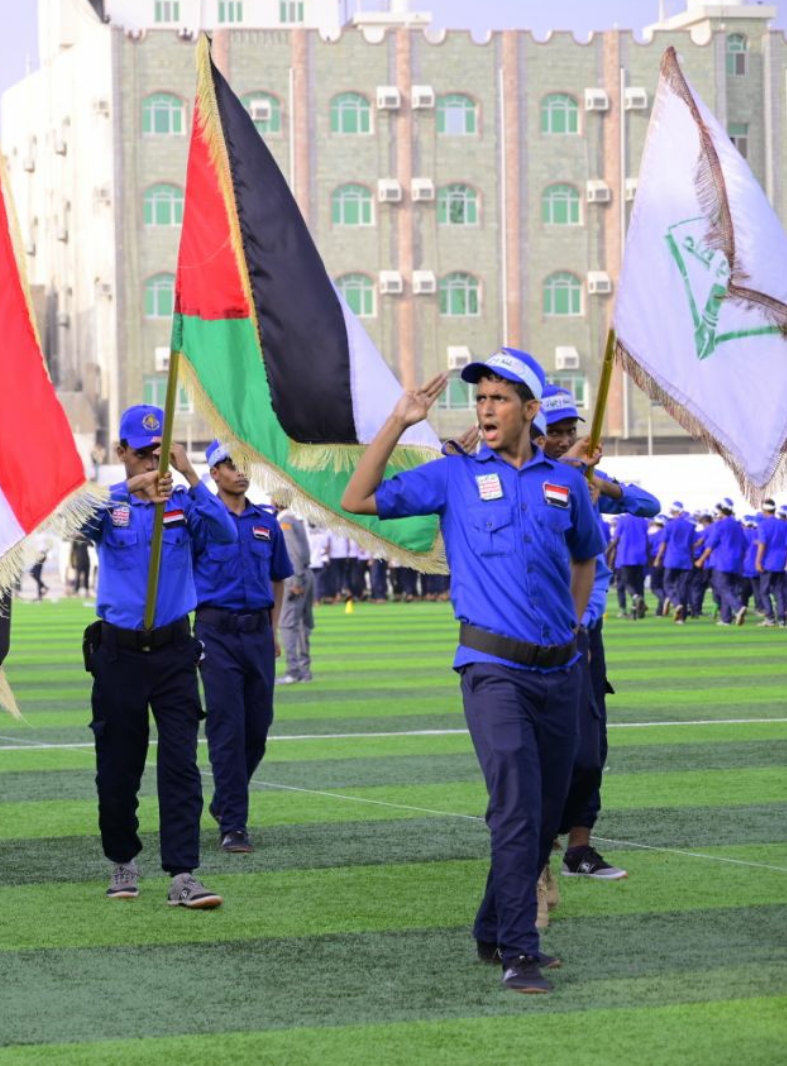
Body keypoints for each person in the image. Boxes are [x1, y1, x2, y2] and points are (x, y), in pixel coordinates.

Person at [342, 349, 603, 994]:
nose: (485, 408)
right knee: (516, 807)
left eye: (499, 398)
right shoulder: (452, 475)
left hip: (561, 671)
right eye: (480, 398)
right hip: (492, 669)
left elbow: (586, 557)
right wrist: (400, 422)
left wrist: (572, 626)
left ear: (530, 411)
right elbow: (359, 496)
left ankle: (492, 929)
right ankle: (520, 949)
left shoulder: (564, 483)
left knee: (542, 819)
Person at [80, 405, 233, 911]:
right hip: (119, 653)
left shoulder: (184, 504)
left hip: (173, 651)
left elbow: (226, 536)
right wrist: (132, 487)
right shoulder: (111, 506)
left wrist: (188, 477)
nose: (151, 461)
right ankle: (122, 858)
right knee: (117, 770)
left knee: (180, 765)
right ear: (121, 453)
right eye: (141, 453)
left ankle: (183, 873)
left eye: (159, 452)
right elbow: (73, 520)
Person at [536, 384, 655, 888]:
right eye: (553, 433)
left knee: (591, 748)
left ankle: (579, 847)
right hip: (541, 630)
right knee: (544, 747)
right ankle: (538, 847)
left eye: (570, 432)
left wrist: (606, 489)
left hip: (587, 633)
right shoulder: (527, 483)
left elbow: (648, 504)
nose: (564, 441)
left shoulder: (588, 483)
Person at [191, 442, 293, 854]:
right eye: (230, 465)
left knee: (258, 729)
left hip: (256, 633)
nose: (240, 471)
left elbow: (278, 578)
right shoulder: (201, 520)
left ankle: (224, 800)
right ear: (214, 473)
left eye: (243, 464)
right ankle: (234, 823)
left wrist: (273, 631)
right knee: (227, 728)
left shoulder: (265, 521)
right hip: (215, 632)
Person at [275, 509, 314, 684]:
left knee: (287, 624)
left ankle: (293, 671)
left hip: (295, 575)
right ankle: (305, 670)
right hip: (306, 573)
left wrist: (296, 579)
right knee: (302, 624)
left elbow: (293, 552)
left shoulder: (285, 522)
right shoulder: (296, 519)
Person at [698, 500, 747, 626]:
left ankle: (738, 607)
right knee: (728, 589)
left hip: (722, 562)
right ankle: (726, 618)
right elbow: (744, 544)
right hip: (736, 562)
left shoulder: (719, 525)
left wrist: (701, 559)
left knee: (722, 588)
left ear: (721, 511)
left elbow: (710, 545)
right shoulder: (737, 525)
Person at [653, 503, 695, 625]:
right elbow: (692, 545)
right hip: (686, 560)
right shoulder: (690, 526)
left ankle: (676, 603)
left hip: (672, 559)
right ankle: (682, 618)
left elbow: (663, 544)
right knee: (683, 588)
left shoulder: (670, 525)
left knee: (667, 584)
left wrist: (658, 558)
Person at [754, 499, 787, 626]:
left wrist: (758, 561)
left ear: (764, 510)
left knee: (764, 591)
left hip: (768, 562)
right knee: (779, 592)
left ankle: (769, 617)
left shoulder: (763, 525)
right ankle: (782, 619)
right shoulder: (784, 524)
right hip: (781, 561)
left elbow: (763, 544)